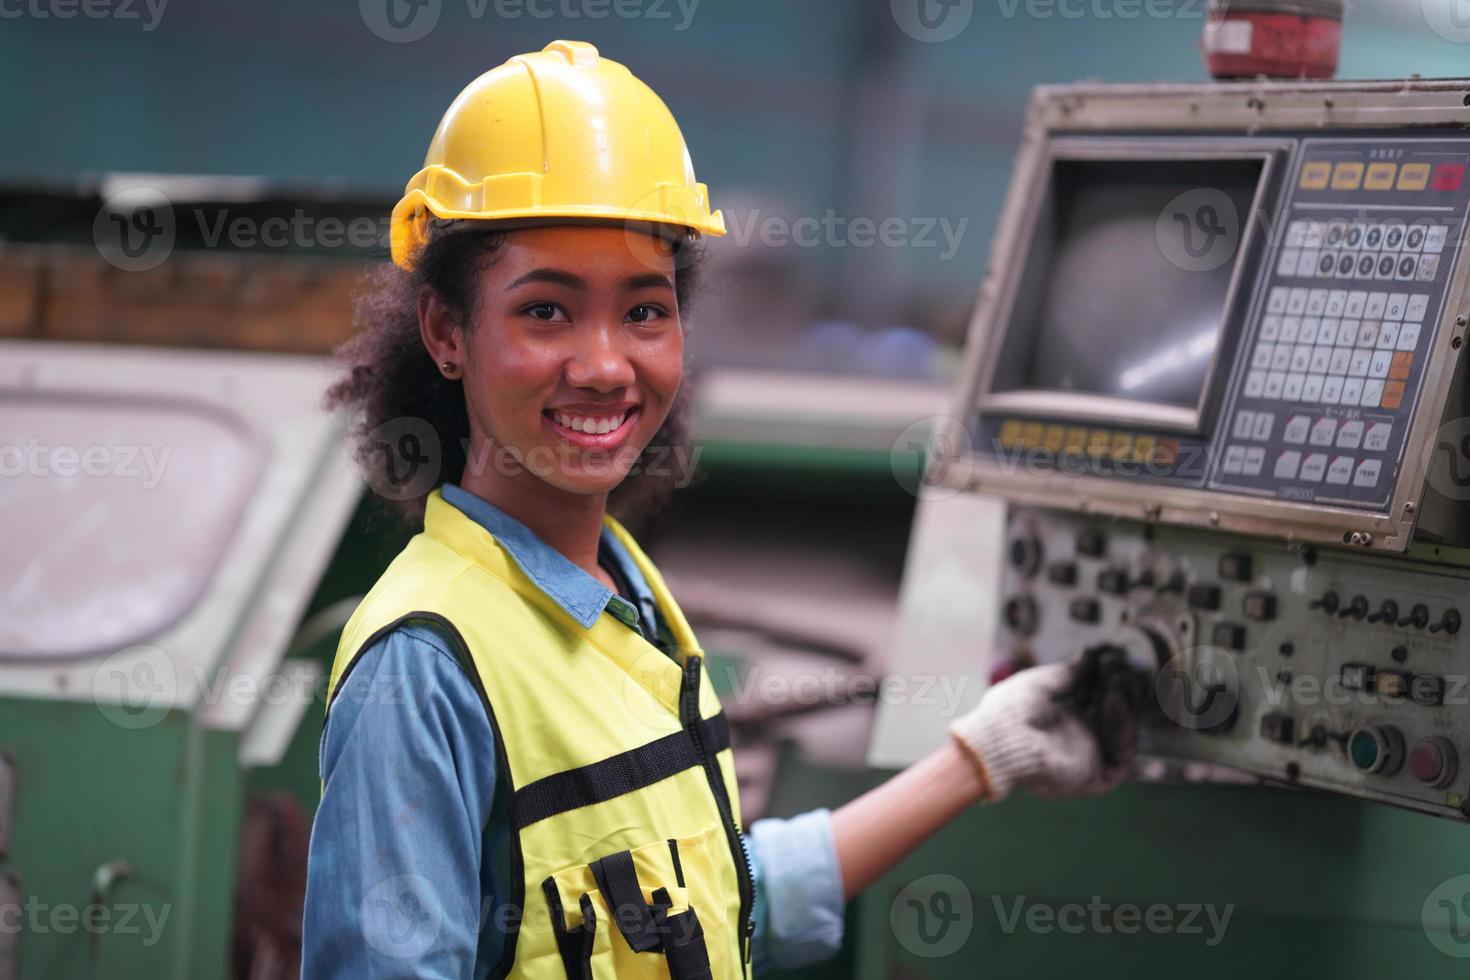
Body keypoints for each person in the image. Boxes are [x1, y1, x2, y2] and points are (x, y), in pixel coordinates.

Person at [302, 39, 1138, 980]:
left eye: (645, 313)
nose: (607, 364)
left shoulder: (627, 595)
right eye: (546, 312)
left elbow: (704, 907)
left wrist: (978, 757)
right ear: (447, 333)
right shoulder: (424, 667)